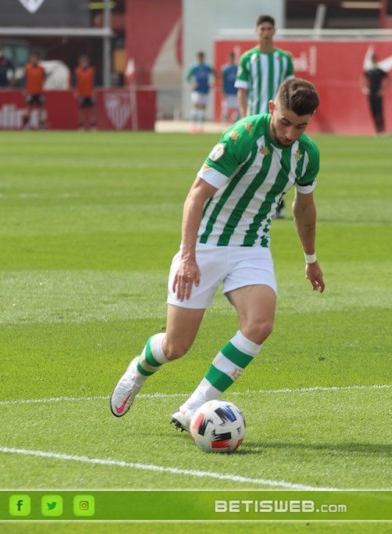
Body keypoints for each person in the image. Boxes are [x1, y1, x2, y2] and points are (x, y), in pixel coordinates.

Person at [110, 78, 325, 433]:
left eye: (300, 126)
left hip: (251, 247)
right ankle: (139, 371)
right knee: (176, 345)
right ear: (272, 108)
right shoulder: (242, 136)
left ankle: (195, 406)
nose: (290, 134)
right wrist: (188, 256)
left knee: (260, 325)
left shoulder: (307, 155)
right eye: (285, 122)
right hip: (206, 244)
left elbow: (305, 209)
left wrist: (311, 258)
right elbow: (196, 195)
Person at [235, 15, 295, 218]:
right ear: (257, 31)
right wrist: (243, 118)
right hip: (256, 117)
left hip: (279, 119)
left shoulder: (284, 58)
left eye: (270, 28)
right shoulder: (248, 58)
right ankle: (251, 204)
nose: (266, 32)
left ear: (274, 31)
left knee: (279, 160)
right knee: (252, 161)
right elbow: (242, 91)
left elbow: (289, 89)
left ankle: (278, 204)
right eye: (263, 29)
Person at [360, 54, 390, 135]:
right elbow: (363, 78)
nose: (374, 61)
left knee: (379, 112)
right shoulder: (369, 71)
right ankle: (377, 130)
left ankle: (382, 129)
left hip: (378, 93)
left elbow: (389, 78)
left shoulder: (380, 71)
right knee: (373, 112)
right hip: (371, 93)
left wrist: (383, 90)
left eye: (374, 60)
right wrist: (364, 88)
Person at [186, 51, 215, 133]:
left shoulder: (207, 67)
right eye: (199, 57)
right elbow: (188, 77)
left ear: (204, 57)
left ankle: (201, 127)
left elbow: (214, 74)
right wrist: (192, 83)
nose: (201, 58)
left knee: (203, 107)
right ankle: (193, 126)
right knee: (195, 106)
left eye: (202, 57)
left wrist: (212, 82)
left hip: (205, 89)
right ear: (197, 58)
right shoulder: (194, 67)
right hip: (197, 90)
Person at [22, 51, 45, 129]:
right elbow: (24, 79)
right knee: (28, 108)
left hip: (39, 91)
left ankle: (40, 124)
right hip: (30, 91)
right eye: (32, 58)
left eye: (35, 58)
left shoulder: (41, 69)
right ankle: (27, 124)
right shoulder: (27, 68)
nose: (34, 60)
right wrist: (24, 89)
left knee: (40, 109)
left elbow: (43, 79)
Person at [74, 54, 96, 130]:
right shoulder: (78, 71)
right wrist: (76, 91)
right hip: (81, 93)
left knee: (92, 109)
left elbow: (94, 82)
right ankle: (81, 126)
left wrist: (93, 91)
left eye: (85, 62)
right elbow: (76, 82)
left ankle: (93, 125)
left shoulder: (91, 70)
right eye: (82, 62)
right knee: (81, 110)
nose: (84, 63)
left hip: (90, 93)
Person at [220, 51, 239, 125]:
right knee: (225, 110)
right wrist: (223, 91)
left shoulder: (237, 68)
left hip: (235, 92)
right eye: (230, 57)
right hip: (228, 92)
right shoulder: (225, 68)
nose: (231, 59)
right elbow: (223, 80)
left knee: (237, 110)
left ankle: (234, 124)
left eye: (233, 57)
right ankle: (224, 124)